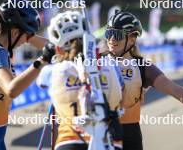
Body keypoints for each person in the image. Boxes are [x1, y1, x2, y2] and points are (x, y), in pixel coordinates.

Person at [103, 11, 183, 150]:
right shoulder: (97, 63)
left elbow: (173, 89)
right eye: (108, 34)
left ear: (132, 39)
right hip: (102, 131)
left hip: (130, 133)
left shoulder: (143, 66)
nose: (111, 39)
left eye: (118, 34)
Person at [37, 10, 124, 150]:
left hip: (70, 140)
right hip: (108, 140)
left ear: (58, 48)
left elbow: (41, 83)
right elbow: (120, 92)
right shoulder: (110, 64)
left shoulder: (51, 70)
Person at [0, 0, 55, 150]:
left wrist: (28, 36)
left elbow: (54, 48)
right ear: (14, 32)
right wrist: (41, 61)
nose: (25, 42)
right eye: (26, 35)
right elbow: (11, 89)